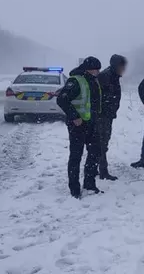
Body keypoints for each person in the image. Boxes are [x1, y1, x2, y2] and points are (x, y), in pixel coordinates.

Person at [56, 56, 103, 198]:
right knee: (76, 156)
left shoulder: (92, 80)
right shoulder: (75, 80)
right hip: (77, 125)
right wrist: (74, 117)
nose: (98, 72)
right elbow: (62, 99)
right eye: (96, 69)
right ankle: (74, 189)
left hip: (91, 123)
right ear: (89, 69)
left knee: (94, 153)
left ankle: (89, 183)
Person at [97, 54, 127, 181]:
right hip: (101, 115)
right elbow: (99, 96)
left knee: (103, 142)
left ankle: (97, 168)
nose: (124, 69)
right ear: (116, 65)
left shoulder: (114, 76)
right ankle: (102, 171)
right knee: (101, 143)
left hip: (107, 115)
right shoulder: (105, 76)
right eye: (122, 66)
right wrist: (105, 109)